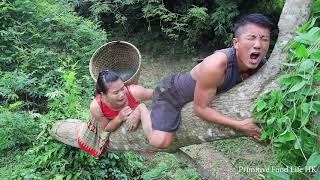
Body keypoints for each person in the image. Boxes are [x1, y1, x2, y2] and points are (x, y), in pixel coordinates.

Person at [138, 13, 272, 149]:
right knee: (160, 142)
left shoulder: (263, 65)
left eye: (264, 39)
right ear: (236, 43)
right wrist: (239, 125)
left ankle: (148, 93)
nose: (258, 45)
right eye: (251, 38)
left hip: (192, 87)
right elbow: (200, 109)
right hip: (171, 94)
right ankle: (142, 109)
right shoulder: (216, 64)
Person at [77, 69, 153, 156]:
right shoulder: (96, 107)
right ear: (103, 95)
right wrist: (119, 118)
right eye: (116, 92)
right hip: (115, 126)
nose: (122, 94)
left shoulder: (134, 92)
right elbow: (106, 128)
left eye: (122, 88)